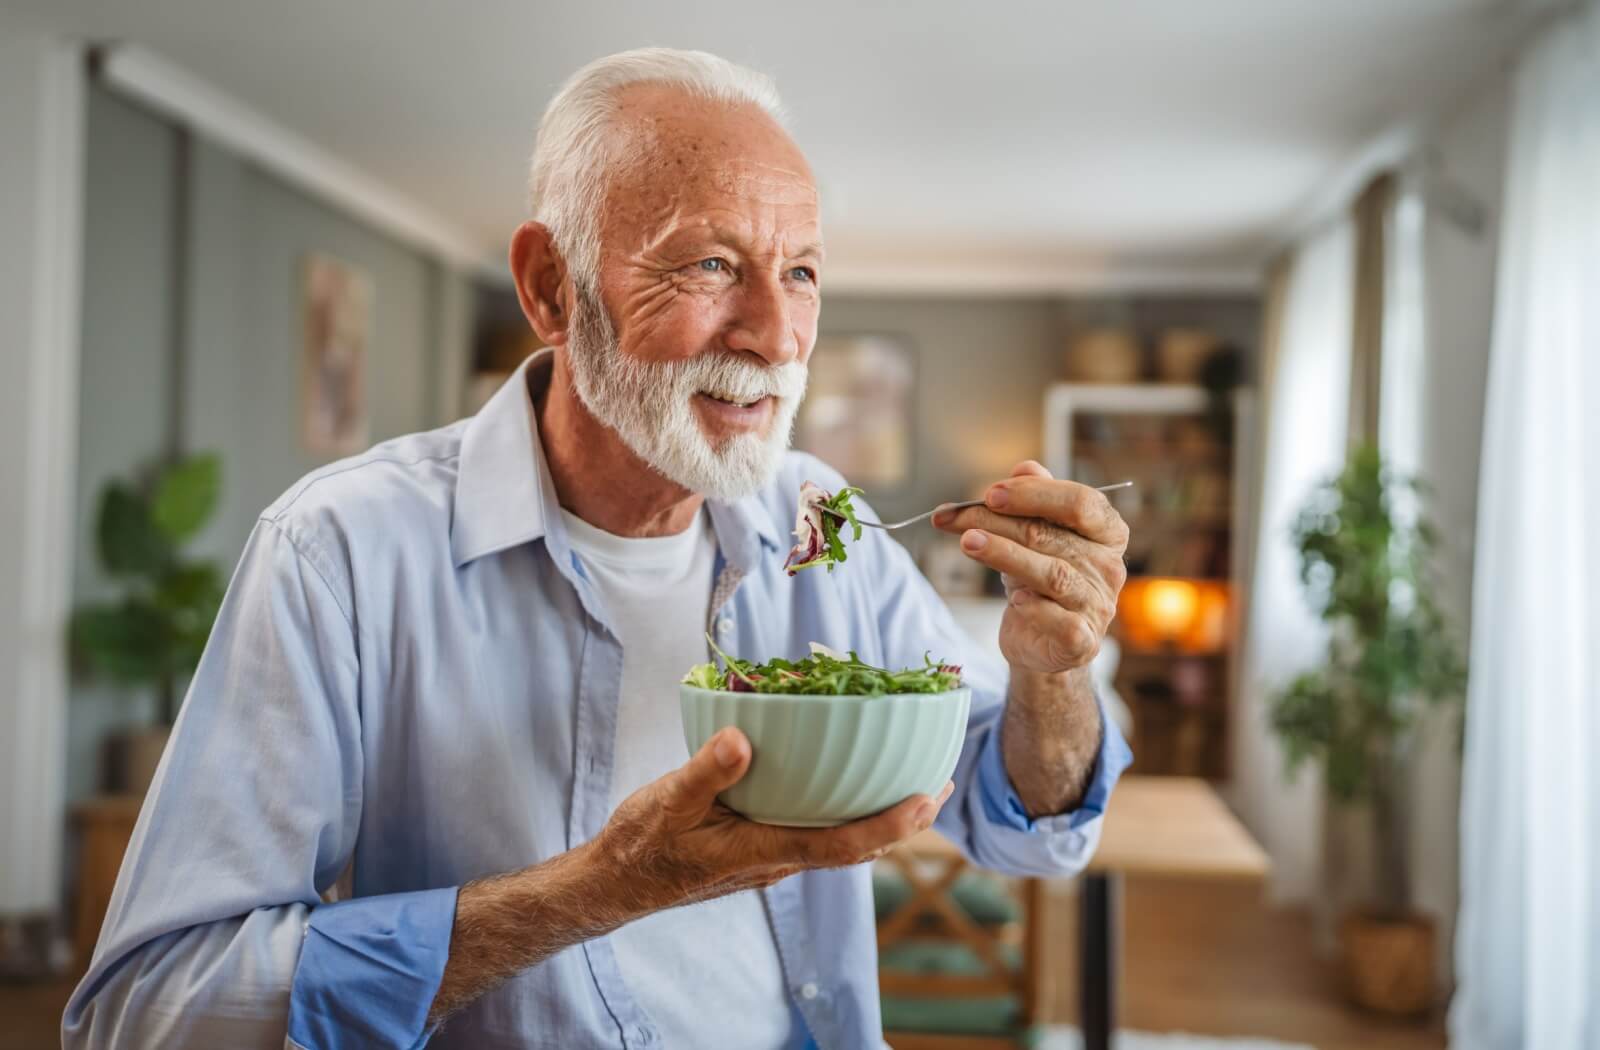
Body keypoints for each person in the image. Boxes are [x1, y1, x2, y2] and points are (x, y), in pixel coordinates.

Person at [63, 47, 1132, 1049]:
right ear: (549, 289)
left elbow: (1026, 829)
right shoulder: (340, 552)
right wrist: (602, 888)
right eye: (711, 263)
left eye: (800, 271)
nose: (774, 333)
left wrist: (1052, 677)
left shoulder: (819, 520)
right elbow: (153, 1009)